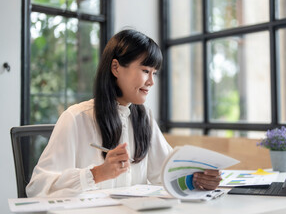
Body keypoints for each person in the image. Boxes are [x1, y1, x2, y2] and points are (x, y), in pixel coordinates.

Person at [26, 29, 222, 197]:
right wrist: (96, 174)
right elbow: (37, 188)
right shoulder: (76, 118)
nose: (151, 82)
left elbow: (164, 173)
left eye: (154, 73)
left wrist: (197, 179)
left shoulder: (144, 117)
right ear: (116, 68)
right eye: (145, 70)